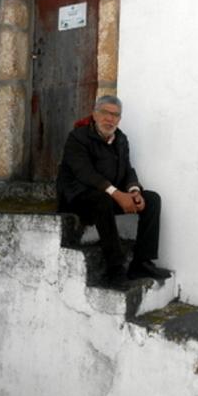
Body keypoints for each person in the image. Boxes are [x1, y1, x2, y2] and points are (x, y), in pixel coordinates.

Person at [56, 95, 169, 283]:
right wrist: (116, 194)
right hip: (77, 198)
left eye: (115, 115)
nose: (110, 119)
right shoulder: (78, 137)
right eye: (105, 113)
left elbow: (127, 170)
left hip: (108, 197)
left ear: (119, 119)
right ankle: (115, 268)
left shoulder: (121, 139)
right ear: (95, 114)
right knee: (103, 200)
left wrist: (134, 192)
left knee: (152, 199)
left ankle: (141, 264)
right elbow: (85, 173)